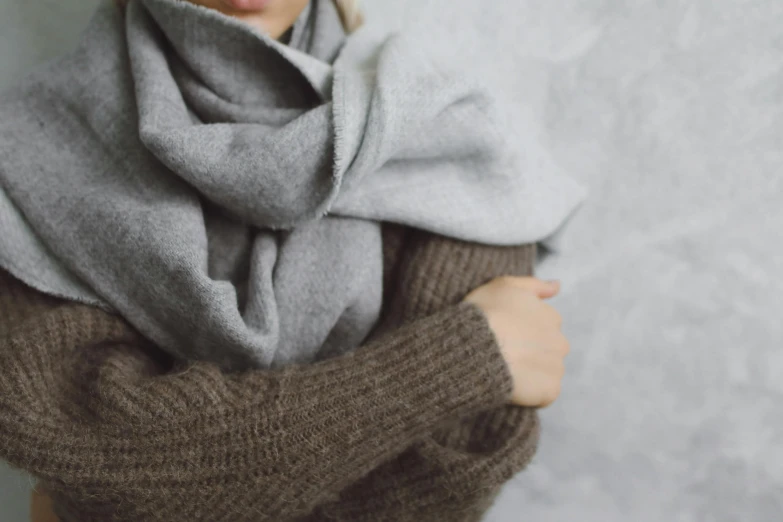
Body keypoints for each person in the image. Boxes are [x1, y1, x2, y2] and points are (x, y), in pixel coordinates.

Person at [0, 1, 571, 521]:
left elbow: (448, 480)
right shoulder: (30, 149)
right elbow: (102, 451)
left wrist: (179, 479)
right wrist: (455, 362)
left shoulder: (445, 132)